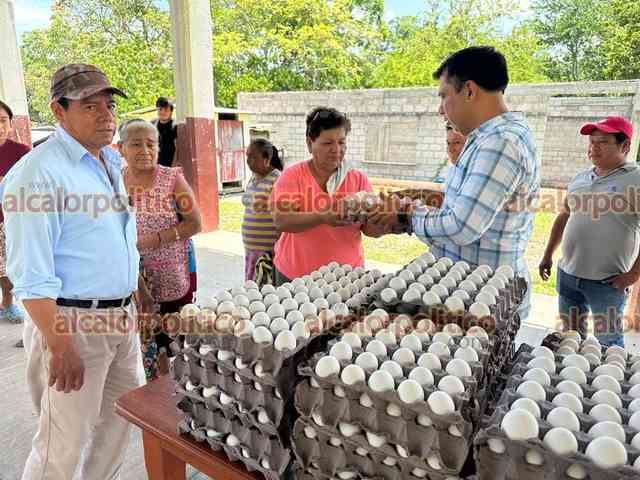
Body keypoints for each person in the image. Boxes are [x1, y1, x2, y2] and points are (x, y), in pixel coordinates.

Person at [2, 64, 144, 479]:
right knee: (61, 445)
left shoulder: (107, 162)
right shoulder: (37, 174)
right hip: (72, 323)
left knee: (118, 426)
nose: (106, 114)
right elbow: (29, 273)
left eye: (109, 103)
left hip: (121, 318)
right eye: (89, 105)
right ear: (59, 111)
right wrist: (60, 345)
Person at [369, 46, 540, 322]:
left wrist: (405, 214)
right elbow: (455, 212)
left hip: (482, 300)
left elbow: (462, 227)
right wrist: (407, 212)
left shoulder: (500, 143)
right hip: (467, 292)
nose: (440, 109)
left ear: (469, 91)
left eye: (444, 95)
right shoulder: (483, 139)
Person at [539, 117, 638, 347]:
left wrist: (633, 275)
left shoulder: (635, 180)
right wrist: (547, 256)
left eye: (603, 142)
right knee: (571, 340)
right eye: (592, 141)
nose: (594, 147)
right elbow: (564, 216)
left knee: (609, 346)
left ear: (625, 146)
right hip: (569, 275)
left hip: (607, 283)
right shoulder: (581, 178)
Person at [120, 118, 202, 379]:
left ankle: (180, 390)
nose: (144, 150)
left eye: (151, 144)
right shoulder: (115, 181)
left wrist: (154, 239)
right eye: (136, 144)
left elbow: (195, 223)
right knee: (146, 339)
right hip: (133, 278)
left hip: (171, 276)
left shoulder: (171, 178)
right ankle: (154, 389)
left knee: (174, 341)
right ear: (121, 148)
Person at [271, 107, 386, 284]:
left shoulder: (357, 179)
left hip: (347, 277)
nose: (336, 149)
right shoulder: (292, 176)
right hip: (296, 276)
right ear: (310, 144)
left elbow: (369, 230)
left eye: (341, 142)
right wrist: (322, 216)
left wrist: (385, 221)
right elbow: (281, 220)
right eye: (328, 143)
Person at [0, 100, 30, 325]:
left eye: (2, 121)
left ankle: (11, 305)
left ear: (10, 124)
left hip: (13, 221)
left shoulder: (22, 153)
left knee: (12, 266)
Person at [242, 138, 283, 284]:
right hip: (251, 250)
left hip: (267, 252)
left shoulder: (277, 179)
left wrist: (278, 249)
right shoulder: (253, 177)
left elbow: (282, 217)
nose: (248, 161)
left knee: (266, 291)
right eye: (247, 155)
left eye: (253, 157)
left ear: (267, 158)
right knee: (252, 290)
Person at [153, 96, 177, 167]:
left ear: (171, 111)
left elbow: (178, 149)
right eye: (160, 109)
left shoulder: (175, 126)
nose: (162, 112)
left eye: (166, 110)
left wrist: (173, 166)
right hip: (157, 165)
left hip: (171, 165)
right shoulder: (153, 125)